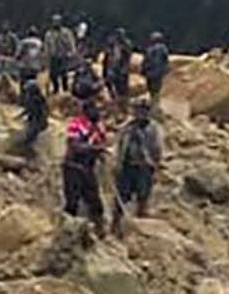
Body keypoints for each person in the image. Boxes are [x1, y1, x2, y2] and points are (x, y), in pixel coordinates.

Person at [112, 99, 163, 232]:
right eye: (138, 110)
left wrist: (155, 165)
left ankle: (141, 225)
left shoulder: (154, 129)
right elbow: (120, 145)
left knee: (143, 195)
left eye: (144, 110)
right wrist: (117, 163)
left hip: (144, 166)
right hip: (127, 166)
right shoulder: (128, 127)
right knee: (121, 197)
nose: (140, 113)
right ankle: (115, 225)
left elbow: (157, 149)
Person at [63, 101, 108, 226]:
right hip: (73, 167)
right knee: (72, 202)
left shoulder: (99, 126)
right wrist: (94, 149)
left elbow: (102, 143)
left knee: (95, 201)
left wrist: (100, 152)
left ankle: (99, 229)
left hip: (88, 167)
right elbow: (74, 146)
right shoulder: (76, 124)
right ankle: (67, 229)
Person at [44, 14, 76, 94]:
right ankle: (56, 89)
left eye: (57, 21)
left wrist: (71, 52)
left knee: (64, 74)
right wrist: (46, 57)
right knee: (53, 75)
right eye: (54, 21)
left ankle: (65, 90)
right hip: (54, 57)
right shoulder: (49, 34)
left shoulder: (66, 32)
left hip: (63, 56)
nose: (56, 23)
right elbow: (47, 46)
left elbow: (71, 43)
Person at [20, 72, 49, 156]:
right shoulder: (29, 98)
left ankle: (32, 154)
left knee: (30, 137)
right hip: (32, 119)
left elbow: (43, 111)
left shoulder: (37, 99)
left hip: (37, 120)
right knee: (29, 137)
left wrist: (42, 121)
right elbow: (28, 109)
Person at [141, 32, 171, 104]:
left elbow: (145, 61)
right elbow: (166, 60)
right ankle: (155, 103)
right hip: (158, 73)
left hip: (150, 72)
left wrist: (143, 70)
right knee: (157, 90)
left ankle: (153, 102)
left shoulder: (149, 49)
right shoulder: (163, 48)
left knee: (151, 89)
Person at [102, 31, 131, 104]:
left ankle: (122, 103)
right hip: (111, 69)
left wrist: (124, 69)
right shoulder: (111, 47)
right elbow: (107, 58)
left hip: (120, 70)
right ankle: (114, 100)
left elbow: (126, 58)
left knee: (121, 88)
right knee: (110, 85)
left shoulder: (124, 45)